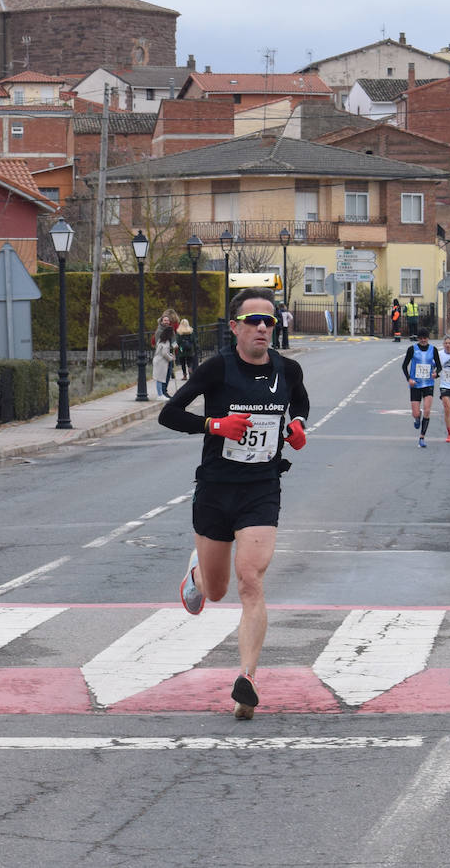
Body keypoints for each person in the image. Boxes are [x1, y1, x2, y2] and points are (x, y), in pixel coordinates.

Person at [157, 287, 310, 718]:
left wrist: (297, 426)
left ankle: (247, 679)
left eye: (270, 322)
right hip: (216, 489)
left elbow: (299, 403)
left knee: (251, 580)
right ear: (235, 328)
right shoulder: (216, 369)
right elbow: (170, 414)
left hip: (261, 487)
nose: (263, 327)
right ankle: (197, 576)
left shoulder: (288, 369)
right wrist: (214, 424)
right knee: (219, 589)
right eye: (254, 321)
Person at [402, 327, 439, 447]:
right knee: (416, 413)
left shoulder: (433, 350)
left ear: (428, 338)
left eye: (425, 338)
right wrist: (409, 379)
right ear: (418, 339)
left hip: (428, 384)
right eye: (421, 338)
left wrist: (436, 374)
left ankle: (422, 437)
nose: (423, 340)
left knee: (427, 410)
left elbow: (439, 366)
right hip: (415, 384)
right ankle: (417, 418)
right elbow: (404, 366)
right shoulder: (412, 349)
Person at [152, 323, 176, 398]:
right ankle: (160, 395)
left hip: (158, 360)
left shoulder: (161, 339)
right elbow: (164, 353)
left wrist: (170, 355)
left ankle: (161, 393)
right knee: (160, 378)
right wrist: (171, 358)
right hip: (161, 362)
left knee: (159, 378)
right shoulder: (166, 342)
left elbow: (164, 352)